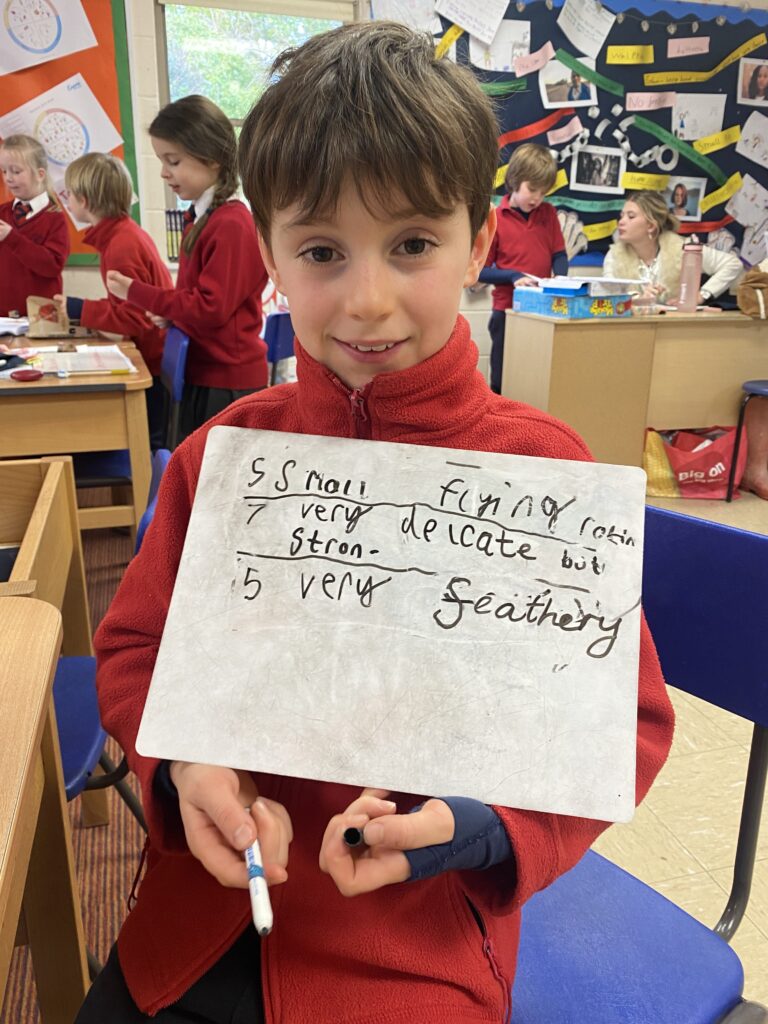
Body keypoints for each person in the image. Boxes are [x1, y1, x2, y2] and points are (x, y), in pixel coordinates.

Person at [76, 23, 674, 1024]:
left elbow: (619, 726)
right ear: (269, 253)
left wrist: (479, 826)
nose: (367, 299)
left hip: (417, 941)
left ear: (477, 243)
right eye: (320, 250)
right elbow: (135, 646)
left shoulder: (543, 472)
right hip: (209, 911)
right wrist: (185, 762)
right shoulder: (219, 457)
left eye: (411, 245)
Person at [106, 95, 269, 443]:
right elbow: (200, 299)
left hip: (226, 383)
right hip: (204, 374)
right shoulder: (201, 217)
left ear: (211, 158)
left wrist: (136, 291)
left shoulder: (232, 223)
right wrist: (175, 317)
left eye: (174, 161)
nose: (165, 172)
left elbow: (211, 308)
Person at [53, 153, 173, 449]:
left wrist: (78, 309)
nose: (67, 201)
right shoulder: (121, 234)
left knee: (148, 444)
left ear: (85, 201)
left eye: (69, 195)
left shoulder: (121, 245)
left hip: (153, 365)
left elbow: (134, 318)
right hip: (153, 356)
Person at [479, 142, 568, 393]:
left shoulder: (548, 214)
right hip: (506, 312)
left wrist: (560, 279)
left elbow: (559, 255)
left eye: (543, 192)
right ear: (515, 180)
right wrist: (513, 276)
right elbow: (481, 271)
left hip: (542, 312)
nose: (537, 198)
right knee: (502, 378)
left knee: (537, 377)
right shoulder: (496, 216)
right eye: (532, 189)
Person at [603, 191, 742, 305]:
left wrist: (701, 295)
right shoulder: (615, 255)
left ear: (651, 226)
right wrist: (637, 299)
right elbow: (608, 297)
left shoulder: (682, 249)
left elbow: (733, 264)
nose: (621, 222)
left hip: (675, 330)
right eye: (621, 216)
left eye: (630, 216)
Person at [0, 134, 69, 317]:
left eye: (16, 171)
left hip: (42, 318)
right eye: (4, 171)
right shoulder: (2, 213)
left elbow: (52, 266)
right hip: (3, 319)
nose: (8, 178)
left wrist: (12, 238)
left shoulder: (55, 217)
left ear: (40, 174)